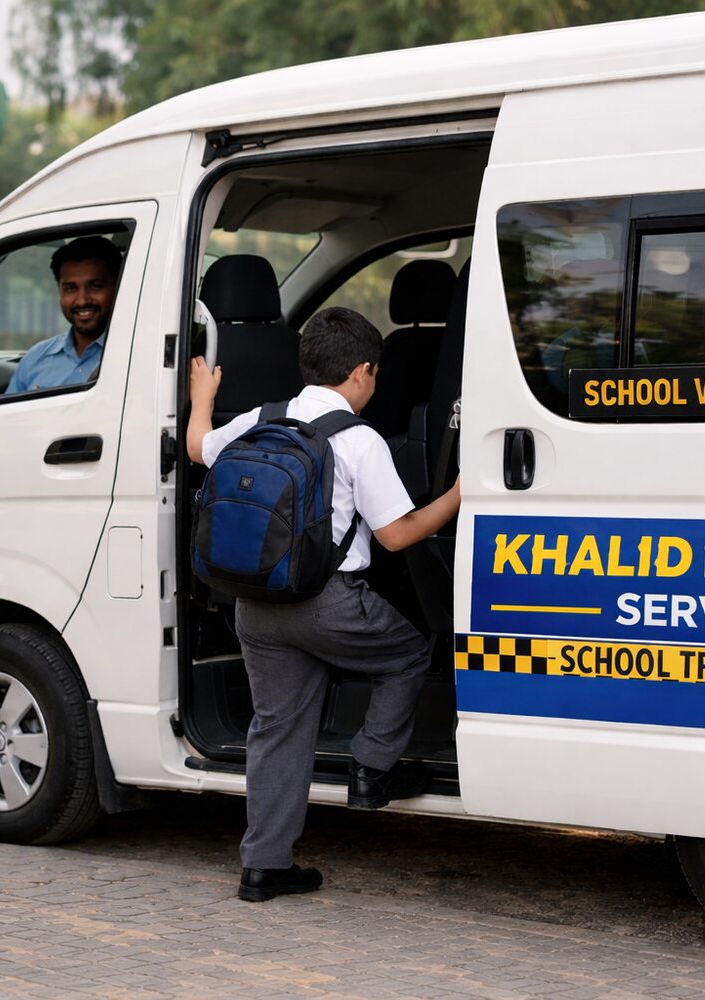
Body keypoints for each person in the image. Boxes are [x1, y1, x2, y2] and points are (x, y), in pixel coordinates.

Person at [186, 306, 462, 902]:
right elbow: (396, 534)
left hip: (254, 606)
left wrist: (203, 396)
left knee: (277, 727)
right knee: (410, 656)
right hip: (328, 604)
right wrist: (458, 495)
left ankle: (263, 867)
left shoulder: (263, 417)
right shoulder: (359, 440)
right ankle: (371, 766)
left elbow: (198, 448)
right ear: (363, 371)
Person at [4, 235, 122, 394]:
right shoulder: (35, 360)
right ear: (59, 290)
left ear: (118, 287)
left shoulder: (135, 356)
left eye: (95, 286)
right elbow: (9, 418)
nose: (82, 300)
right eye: (70, 288)